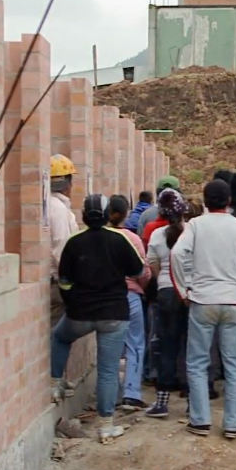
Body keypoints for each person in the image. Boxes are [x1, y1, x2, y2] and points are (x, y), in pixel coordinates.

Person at [172, 180, 236, 439]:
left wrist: (185, 289)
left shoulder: (195, 225)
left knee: (198, 362)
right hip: (233, 301)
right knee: (234, 364)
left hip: (202, 300)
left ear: (205, 201)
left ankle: (201, 420)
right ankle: (232, 424)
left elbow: (177, 255)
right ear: (229, 201)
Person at [51, 194, 148, 442]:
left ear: (84, 214)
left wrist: (72, 301)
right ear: (107, 215)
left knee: (59, 337)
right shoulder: (119, 239)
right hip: (114, 315)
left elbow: (64, 280)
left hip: (80, 313)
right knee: (108, 369)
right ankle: (106, 427)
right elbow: (138, 271)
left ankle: (55, 385)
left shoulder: (74, 242)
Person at [143, 189, 189, 418]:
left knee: (167, 348)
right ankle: (193, 402)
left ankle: (162, 402)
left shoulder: (156, 235)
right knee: (192, 347)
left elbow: (152, 266)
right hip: (190, 293)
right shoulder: (192, 231)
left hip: (166, 293)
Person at [108, 195, 152, 412]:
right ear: (126, 214)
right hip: (131, 295)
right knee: (135, 343)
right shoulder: (132, 239)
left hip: (106, 296)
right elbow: (143, 270)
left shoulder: (99, 237)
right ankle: (131, 393)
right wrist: (143, 286)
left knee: (110, 344)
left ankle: (112, 394)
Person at [48, 154, 79, 323]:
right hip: (57, 283)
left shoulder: (48, 205)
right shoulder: (59, 210)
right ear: (68, 183)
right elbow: (62, 247)